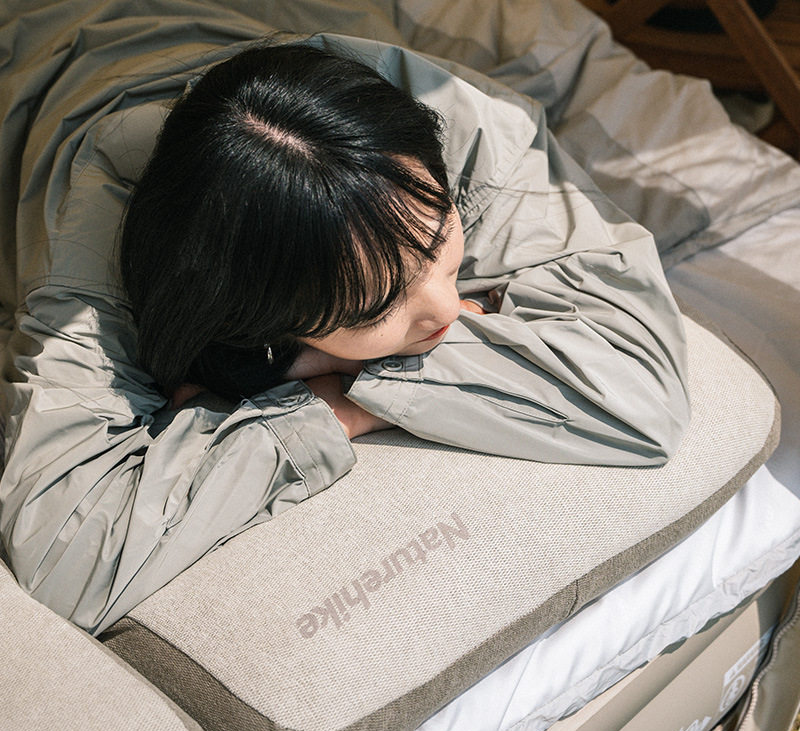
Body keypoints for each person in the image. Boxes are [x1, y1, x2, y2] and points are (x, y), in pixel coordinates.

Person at [0, 30, 690, 634]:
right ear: (260, 322)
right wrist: (312, 407)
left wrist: (341, 384)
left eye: (440, 238)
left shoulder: (431, 123)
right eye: (374, 309)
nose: (446, 309)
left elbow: (640, 395)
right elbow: (69, 560)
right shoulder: (99, 255)